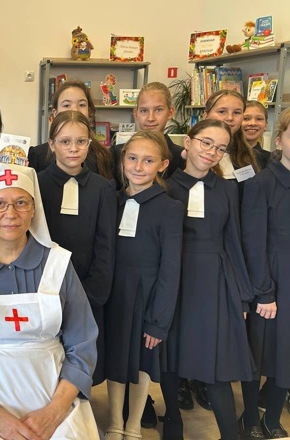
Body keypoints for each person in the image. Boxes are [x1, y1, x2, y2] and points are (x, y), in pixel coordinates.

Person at [0, 162, 99, 439]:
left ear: (34, 209)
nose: (10, 214)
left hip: (55, 405)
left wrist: (54, 413)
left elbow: (82, 346)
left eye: (21, 202)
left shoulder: (58, 263)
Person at [161, 120, 255, 440]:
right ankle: (173, 423)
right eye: (206, 142)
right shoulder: (165, 187)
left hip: (215, 282)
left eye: (220, 148)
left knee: (216, 364)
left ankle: (229, 434)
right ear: (188, 143)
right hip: (175, 281)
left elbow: (234, 242)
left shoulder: (227, 189)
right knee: (170, 357)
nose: (212, 152)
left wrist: (242, 295)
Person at [104, 131, 184, 440]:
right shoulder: (111, 200)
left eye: (148, 161)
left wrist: (158, 320)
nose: (138, 167)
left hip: (148, 294)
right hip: (115, 292)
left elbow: (170, 268)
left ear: (162, 165)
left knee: (141, 361)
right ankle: (115, 420)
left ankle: (134, 424)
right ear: (122, 160)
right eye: (132, 158)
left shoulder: (170, 208)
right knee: (115, 356)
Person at [37, 110, 116, 386]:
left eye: (81, 141)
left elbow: (106, 244)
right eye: (65, 141)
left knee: (81, 356)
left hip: (87, 286)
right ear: (52, 144)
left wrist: (94, 292)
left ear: (89, 144)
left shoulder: (103, 187)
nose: (73, 148)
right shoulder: (36, 183)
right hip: (46, 284)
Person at [239, 109, 290, 439]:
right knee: (257, 355)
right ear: (280, 139)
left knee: (288, 354)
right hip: (271, 279)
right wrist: (264, 291)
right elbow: (253, 242)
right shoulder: (262, 183)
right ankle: (249, 417)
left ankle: (272, 416)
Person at [28, 79, 114, 179]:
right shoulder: (37, 156)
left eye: (81, 105)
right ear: (55, 113)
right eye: (66, 105)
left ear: (89, 112)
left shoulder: (103, 155)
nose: (75, 110)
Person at [111, 82, 184, 188]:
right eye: (144, 111)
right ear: (136, 113)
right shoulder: (117, 153)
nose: (150, 118)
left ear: (170, 112)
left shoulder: (180, 157)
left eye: (158, 110)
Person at [203, 90, 260, 180]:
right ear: (205, 116)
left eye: (237, 113)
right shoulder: (192, 153)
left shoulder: (248, 155)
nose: (230, 118)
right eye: (222, 111)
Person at [242, 100, 271, 169]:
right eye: (246, 118)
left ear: (265, 125)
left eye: (259, 119)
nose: (253, 123)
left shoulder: (271, 160)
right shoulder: (223, 156)